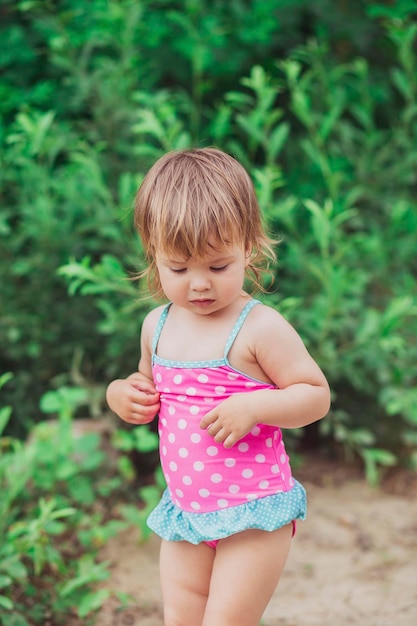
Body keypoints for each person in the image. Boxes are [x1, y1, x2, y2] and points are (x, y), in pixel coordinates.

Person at [106, 147, 331, 626]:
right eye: (179, 269)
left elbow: (315, 394)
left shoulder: (259, 328)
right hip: (186, 512)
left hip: (253, 515)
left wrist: (255, 407)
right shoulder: (157, 325)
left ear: (248, 247)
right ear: (154, 256)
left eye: (218, 266)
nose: (199, 285)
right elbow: (146, 383)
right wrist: (122, 393)